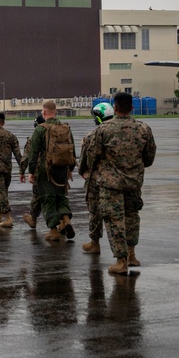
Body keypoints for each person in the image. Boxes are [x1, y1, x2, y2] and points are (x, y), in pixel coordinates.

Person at [86, 92, 156, 275]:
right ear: (132, 107)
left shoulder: (103, 130)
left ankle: (121, 260)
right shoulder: (143, 129)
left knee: (114, 219)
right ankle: (132, 255)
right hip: (134, 182)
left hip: (111, 184)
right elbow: (149, 158)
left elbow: (93, 155)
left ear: (115, 107)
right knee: (132, 217)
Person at [26, 100, 76, 241]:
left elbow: (34, 153)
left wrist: (31, 172)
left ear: (44, 112)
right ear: (56, 112)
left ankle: (53, 230)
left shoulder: (40, 129)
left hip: (46, 169)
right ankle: (66, 219)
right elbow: (72, 150)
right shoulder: (65, 128)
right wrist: (70, 168)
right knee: (61, 196)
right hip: (63, 168)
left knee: (47, 198)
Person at [78, 102, 114, 254]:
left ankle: (94, 242)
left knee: (95, 211)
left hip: (97, 179)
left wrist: (83, 172)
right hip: (119, 180)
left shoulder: (92, 136)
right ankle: (128, 251)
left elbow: (85, 162)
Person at [19, 114, 44, 229]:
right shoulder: (57, 133)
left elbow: (26, 157)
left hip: (39, 171)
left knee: (37, 196)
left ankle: (33, 218)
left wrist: (22, 172)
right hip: (58, 170)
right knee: (59, 196)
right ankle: (64, 221)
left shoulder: (33, 137)